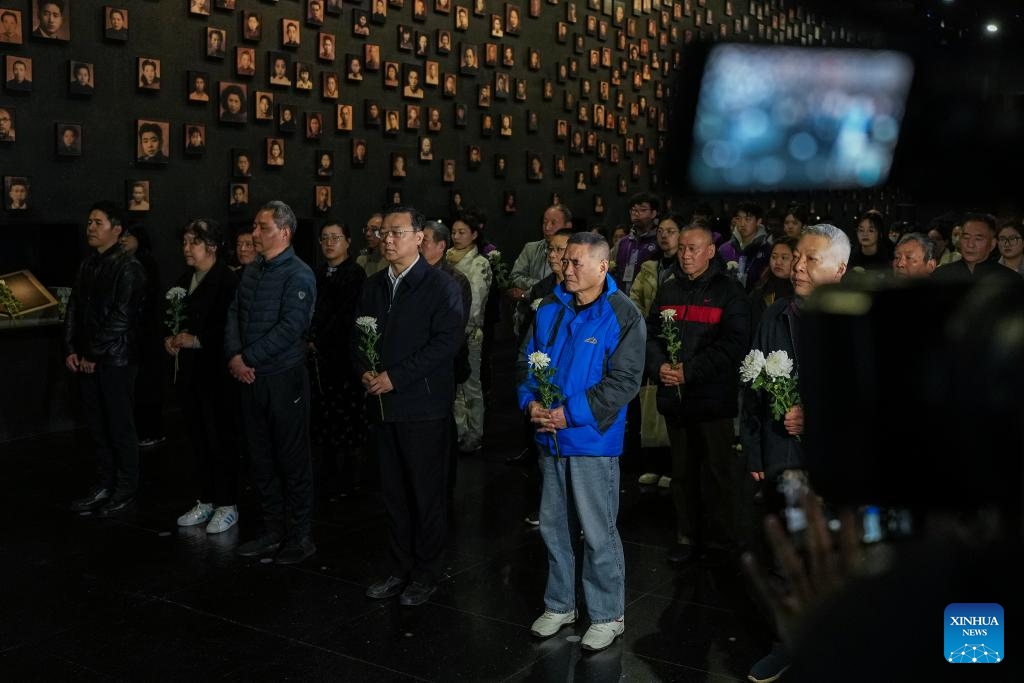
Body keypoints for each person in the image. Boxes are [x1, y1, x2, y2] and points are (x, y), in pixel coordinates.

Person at [517, 232, 645, 652]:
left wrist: (570, 413)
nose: (566, 269)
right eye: (564, 260)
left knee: (597, 531)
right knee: (553, 527)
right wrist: (530, 402)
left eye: (576, 263)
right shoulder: (550, 306)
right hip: (549, 437)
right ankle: (560, 604)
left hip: (591, 440)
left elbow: (624, 381)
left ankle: (608, 614)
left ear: (602, 267)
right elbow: (525, 362)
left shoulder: (623, 314)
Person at [741, 223, 850, 682]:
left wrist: (820, 415)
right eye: (797, 258)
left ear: (840, 269)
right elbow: (752, 391)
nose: (798, 267)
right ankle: (787, 646)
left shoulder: (854, 322)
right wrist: (754, 453)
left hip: (841, 465)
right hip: (784, 456)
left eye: (811, 260)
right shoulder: (775, 315)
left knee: (839, 556)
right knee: (786, 553)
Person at [356, 205, 464, 607]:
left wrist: (396, 376)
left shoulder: (441, 286)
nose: (388, 240)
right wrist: (365, 371)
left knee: (425, 494)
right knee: (393, 493)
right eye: (383, 233)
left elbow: (445, 344)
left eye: (396, 233)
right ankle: (398, 568)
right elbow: (358, 336)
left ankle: (426, 572)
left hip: (422, 406)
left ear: (420, 237)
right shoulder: (372, 285)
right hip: (382, 407)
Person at [646, 221, 750, 565]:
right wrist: (659, 365)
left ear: (710, 251)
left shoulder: (729, 291)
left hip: (711, 398)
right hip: (676, 399)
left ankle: (722, 541)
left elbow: (734, 343)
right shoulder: (669, 289)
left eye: (694, 249)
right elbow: (651, 333)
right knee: (683, 473)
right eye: (683, 248)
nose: (686, 255)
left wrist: (690, 371)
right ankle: (687, 535)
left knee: (718, 472)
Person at [226, 201, 318, 565]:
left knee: (292, 460)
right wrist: (235, 356)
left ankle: (299, 536)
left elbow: (291, 329)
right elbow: (234, 313)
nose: (254, 234)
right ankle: (271, 530)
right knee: (260, 458)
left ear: (285, 232)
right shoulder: (252, 270)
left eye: (263, 227)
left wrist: (247, 358)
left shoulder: (299, 274)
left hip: (283, 378)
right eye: (255, 226)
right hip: (250, 377)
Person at [65, 202, 148, 516]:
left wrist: (91, 352)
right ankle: (106, 482)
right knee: (97, 426)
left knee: (119, 425)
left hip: (116, 360)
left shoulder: (130, 267)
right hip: (90, 358)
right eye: (89, 222)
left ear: (117, 229)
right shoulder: (88, 264)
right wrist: (72, 348)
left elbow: (122, 317)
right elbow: (74, 307)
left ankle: (126, 486)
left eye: (97, 222)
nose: (90, 227)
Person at [163, 219, 241, 533]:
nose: (186, 249)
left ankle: (228, 502)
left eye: (193, 242)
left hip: (217, 375)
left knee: (220, 437)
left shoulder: (226, 280)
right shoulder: (185, 279)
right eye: (184, 243)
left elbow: (228, 326)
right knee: (197, 437)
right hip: (191, 375)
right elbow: (168, 316)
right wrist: (169, 338)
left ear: (211, 246)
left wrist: (197, 340)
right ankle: (206, 498)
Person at [309, 222, 367, 496]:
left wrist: (321, 337)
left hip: (343, 356)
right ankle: (328, 469)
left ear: (348, 241)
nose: (329, 243)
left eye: (336, 238)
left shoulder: (355, 274)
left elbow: (347, 316)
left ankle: (350, 475)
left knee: (346, 414)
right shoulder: (317, 273)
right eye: (325, 238)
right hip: (318, 356)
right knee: (323, 414)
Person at [419, 220, 472, 492]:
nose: (419, 245)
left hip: (444, 363)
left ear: (441, 246)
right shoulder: (412, 275)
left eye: (425, 240)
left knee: (442, 422)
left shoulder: (455, 280)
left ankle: (444, 482)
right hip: (418, 365)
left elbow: (454, 330)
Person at [447, 210, 493, 454]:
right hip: (450, 332)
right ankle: (458, 430)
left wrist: (459, 328)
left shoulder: (480, 263)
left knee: (471, 384)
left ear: (474, 235)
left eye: (462, 232)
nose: (456, 236)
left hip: (469, 332)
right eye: (454, 232)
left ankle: (475, 433)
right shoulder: (447, 257)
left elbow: (475, 302)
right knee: (454, 386)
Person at [932, 212, 1020, 283]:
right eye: (966, 237)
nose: (970, 244)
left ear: (992, 244)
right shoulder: (940, 276)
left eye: (978, 239)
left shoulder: (1010, 280)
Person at [718, 201, 772, 291]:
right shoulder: (724, 249)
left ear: (758, 221)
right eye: (738, 219)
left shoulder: (768, 250)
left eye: (747, 219)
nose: (742, 224)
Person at [614, 192, 661, 294]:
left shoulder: (659, 241)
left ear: (653, 213)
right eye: (634, 210)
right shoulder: (623, 242)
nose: (636, 213)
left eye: (643, 210)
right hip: (622, 297)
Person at [846, 209, 894, 276]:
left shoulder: (890, 257)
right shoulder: (848, 256)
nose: (865, 234)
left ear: (880, 233)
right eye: (861, 230)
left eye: (871, 230)